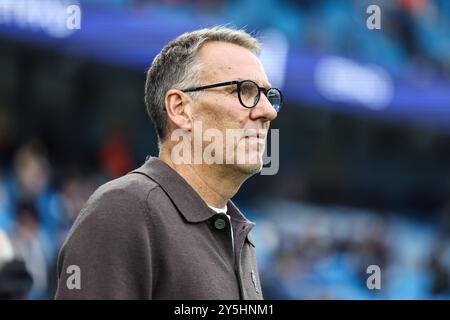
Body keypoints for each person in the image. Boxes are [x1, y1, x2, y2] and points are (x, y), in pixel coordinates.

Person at [55, 26, 282, 299]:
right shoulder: (125, 210)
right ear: (179, 108)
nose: (268, 111)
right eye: (245, 91)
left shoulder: (238, 232)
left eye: (269, 96)